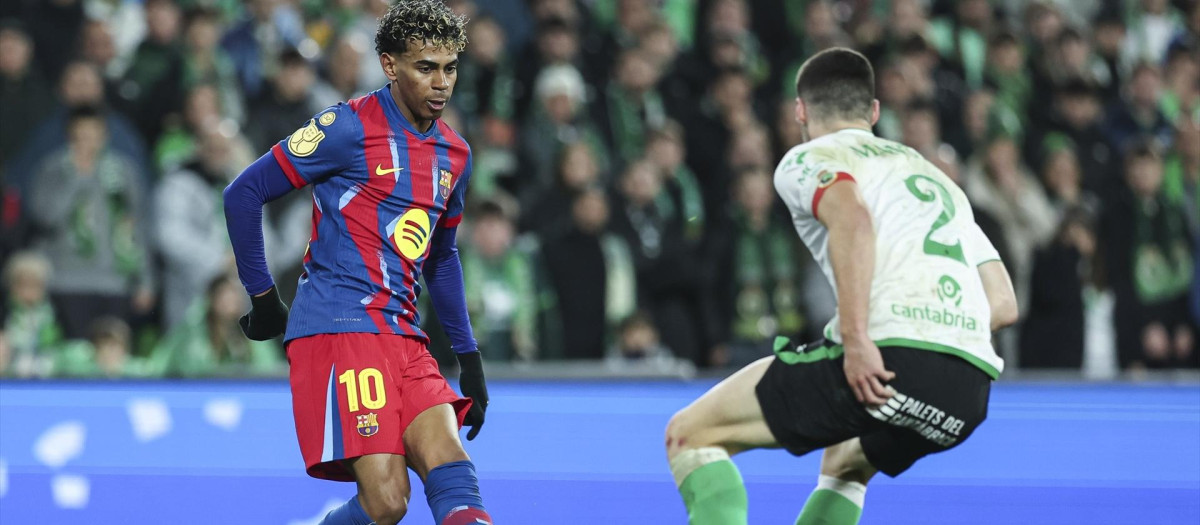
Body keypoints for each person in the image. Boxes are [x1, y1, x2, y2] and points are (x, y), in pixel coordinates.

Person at [664, 48, 1019, 525]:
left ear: (800, 112)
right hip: (969, 390)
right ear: (873, 112)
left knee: (691, 435)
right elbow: (1003, 303)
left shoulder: (812, 157)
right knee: (845, 464)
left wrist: (855, 339)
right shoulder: (936, 179)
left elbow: (852, 219)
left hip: (889, 355)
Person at [221, 2, 492, 524]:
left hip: (406, 336)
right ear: (390, 66)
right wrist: (263, 298)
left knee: (454, 469)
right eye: (425, 67)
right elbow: (243, 193)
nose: (442, 83)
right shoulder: (346, 127)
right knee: (388, 503)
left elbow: (441, 256)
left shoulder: (455, 154)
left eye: (450, 68)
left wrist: (469, 356)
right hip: (340, 327)